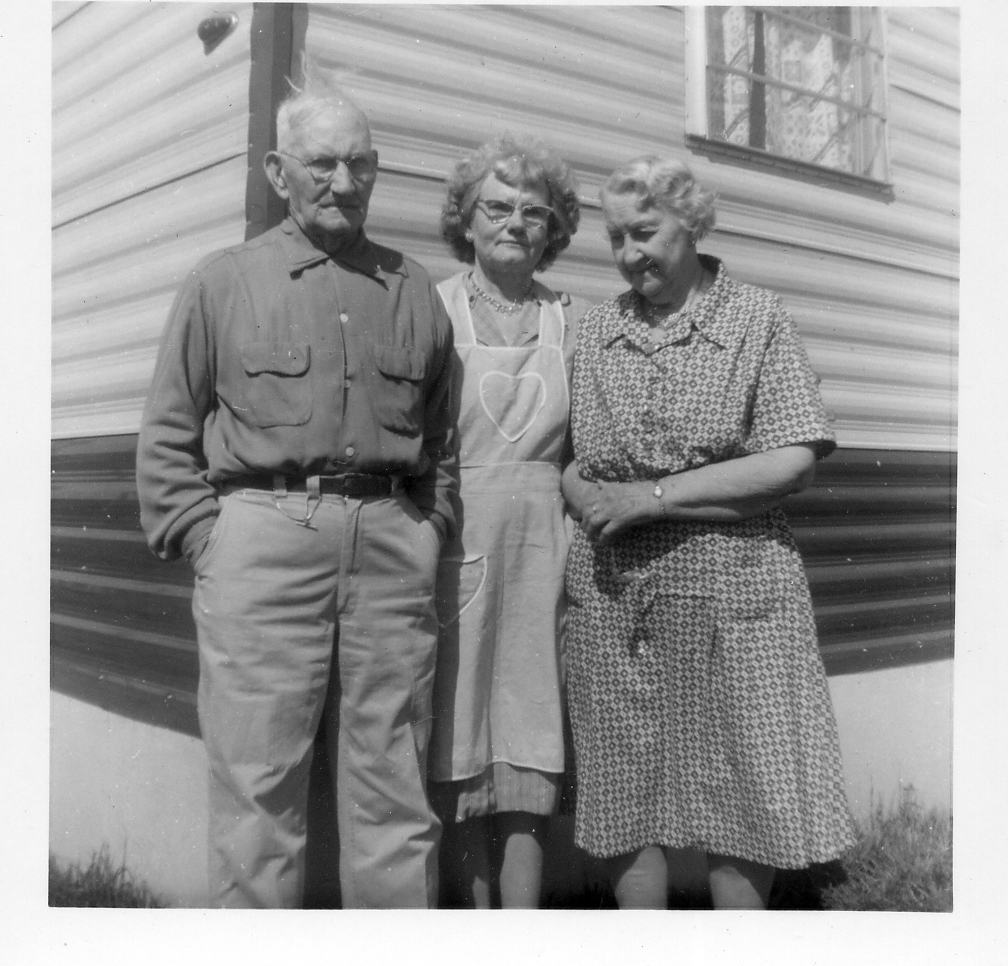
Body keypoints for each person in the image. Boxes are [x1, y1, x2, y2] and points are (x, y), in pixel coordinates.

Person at [135, 74, 458, 909]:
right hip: (262, 541)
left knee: (394, 780)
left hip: (390, 541)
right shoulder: (223, 282)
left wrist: (428, 526)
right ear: (279, 172)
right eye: (321, 164)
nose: (343, 183)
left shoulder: (413, 289)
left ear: (377, 171)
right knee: (258, 784)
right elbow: (170, 429)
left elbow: (443, 436)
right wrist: (211, 541)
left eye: (359, 165)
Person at [562, 156, 857, 909]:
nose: (630, 253)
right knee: (629, 791)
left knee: (741, 794)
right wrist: (586, 495)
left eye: (646, 232)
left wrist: (652, 497)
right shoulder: (594, 329)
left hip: (736, 590)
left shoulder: (756, 318)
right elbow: (565, 457)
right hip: (616, 595)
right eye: (617, 236)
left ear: (691, 224)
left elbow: (792, 460)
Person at [429, 134, 588, 908]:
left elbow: (594, 446)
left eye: (534, 210)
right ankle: (473, 918)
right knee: (459, 726)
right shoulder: (432, 306)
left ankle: (523, 928)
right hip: (456, 536)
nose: (515, 221)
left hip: (543, 545)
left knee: (532, 723)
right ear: (465, 216)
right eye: (497, 205)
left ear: (554, 227)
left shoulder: (573, 322)